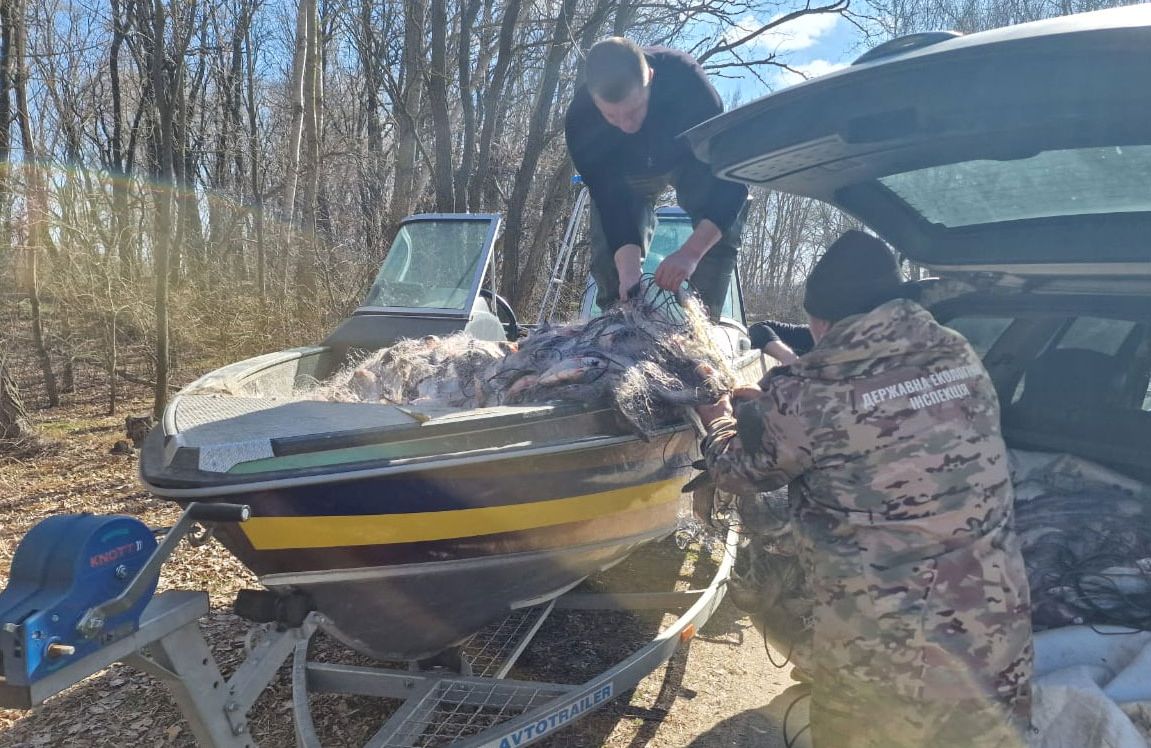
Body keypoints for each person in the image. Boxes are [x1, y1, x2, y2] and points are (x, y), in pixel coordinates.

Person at [696, 230, 1033, 747]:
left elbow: (738, 472)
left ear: (823, 320)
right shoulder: (955, 353)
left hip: (885, 650)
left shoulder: (814, 391)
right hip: (993, 627)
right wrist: (769, 409)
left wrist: (721, 419)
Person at [565, 37, 748, 318]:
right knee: (612, 263)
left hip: (689, 160)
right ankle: (618, 325)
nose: (626, 126)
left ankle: (701, 327)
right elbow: (609, 199)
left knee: (720, 228)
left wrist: (690, 254)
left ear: (650, 77)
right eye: (612, 117)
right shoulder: (581, 118)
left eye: (635, 110)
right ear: (593, 98)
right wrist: (628, 273)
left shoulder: (689, 85)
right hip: (626, 175)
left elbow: (730, 183)